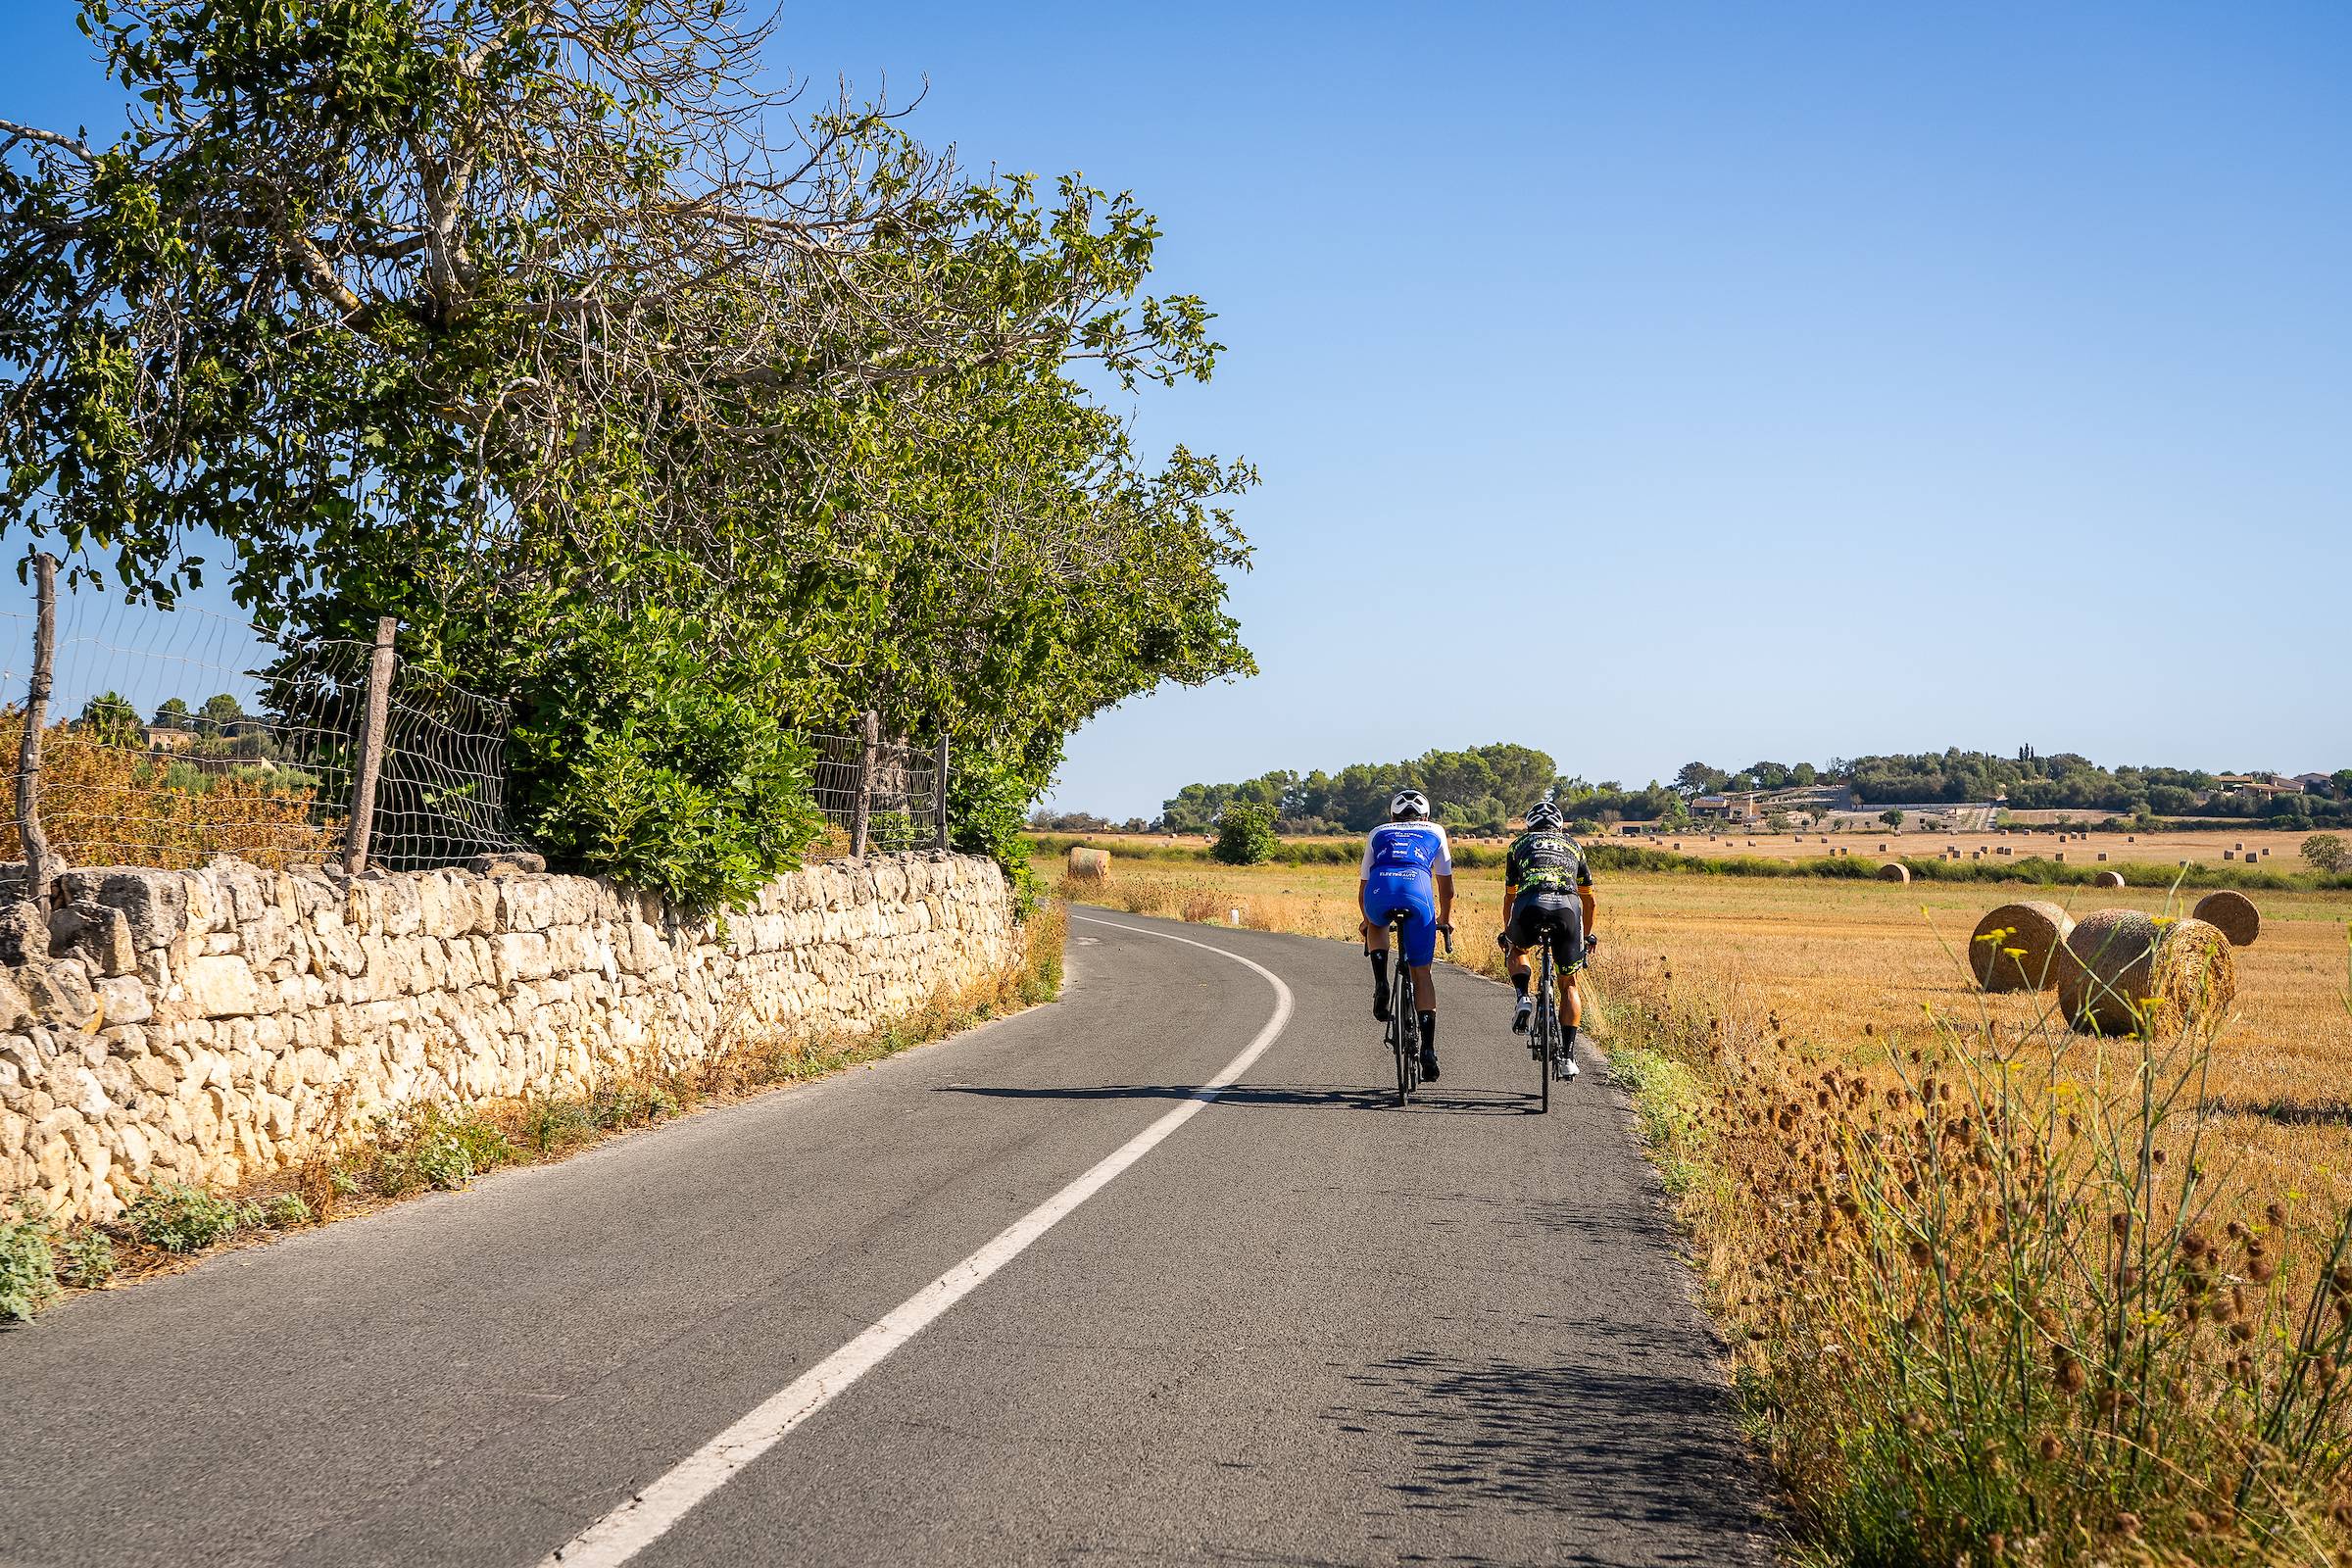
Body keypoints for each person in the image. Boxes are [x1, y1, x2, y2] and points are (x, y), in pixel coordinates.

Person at [1498, 799, 1598, 1079]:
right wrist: (1586, 934)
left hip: (1529, 905)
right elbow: (1589, 899)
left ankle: (1523, 997)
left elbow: (1510, 894)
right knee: (1569, 983)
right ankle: (1567, 1057)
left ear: (1529, 825)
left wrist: (1508, 932)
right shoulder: (1573, 846)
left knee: (1518, 948)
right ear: (1559, 826)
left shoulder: (1518, 845)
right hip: (1567, 909)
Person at [1359, 789, 1454, 1079]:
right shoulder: (1435, 831)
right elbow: (1446, 888)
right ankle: (1428, 1049)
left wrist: (1365, 921)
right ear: (1425, 816)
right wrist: (1445, 920)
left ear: (1392, 816)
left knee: (1375, 924)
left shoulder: (1378, 832)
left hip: (1380, 890)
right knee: (1421, 974)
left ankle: (1381, 984)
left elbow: (1363, 889)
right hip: (1418, 894)